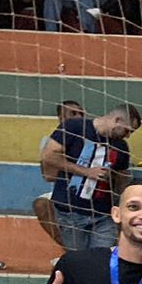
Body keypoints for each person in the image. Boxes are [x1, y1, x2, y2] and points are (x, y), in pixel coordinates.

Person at [42, 102, 140, 250]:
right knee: (79, 261)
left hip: (103, 214)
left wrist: (113, 179)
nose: (128, 136)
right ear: (117, 120)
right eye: (127, 131)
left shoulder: (122, 147)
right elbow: (48, 156)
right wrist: (86, 171)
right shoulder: (73, 127)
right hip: (70, 211)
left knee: (102, 260)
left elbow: (122, 180)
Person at [33, 99, 86, 247]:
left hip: (91, 190)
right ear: (61, 118)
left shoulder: (94, 137)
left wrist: (63, 165)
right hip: (62, 190)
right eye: (73, 113)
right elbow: (48, 175)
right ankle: (68, 250)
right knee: (41, 204)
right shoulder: (49, 141)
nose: (78, 117)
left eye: (81, 113)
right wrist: (81, 170)